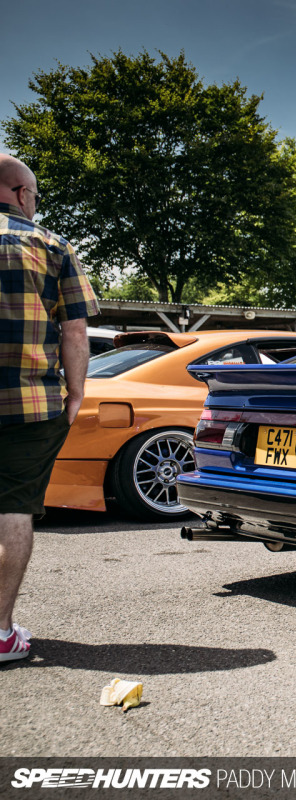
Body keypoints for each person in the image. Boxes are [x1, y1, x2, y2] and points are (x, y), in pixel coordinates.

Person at [0, 155, 99, 663]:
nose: (35, 205)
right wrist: (77, 391)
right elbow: (75, 330)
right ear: (20, 193)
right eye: (35, 196)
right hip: (28, 401)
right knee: (12, 509)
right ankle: (0, 631)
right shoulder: (49, 246)